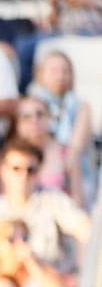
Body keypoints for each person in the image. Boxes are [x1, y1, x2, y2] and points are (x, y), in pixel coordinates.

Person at [0, 136, 91, 274]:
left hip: (53, 285)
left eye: (30, 170)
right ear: (3, 171)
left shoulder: (53, 200)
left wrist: (81, 271)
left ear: (39, 172)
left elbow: (85, 230)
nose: (24, 176)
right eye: (16, 168)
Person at [31, 50, 97, 206]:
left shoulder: (81, 106)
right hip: (40, 170)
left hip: (74, 173)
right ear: (41, 74)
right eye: (54, 71)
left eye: (65, 71)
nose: (60, 76)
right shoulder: (33, 104)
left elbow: (75, 148)